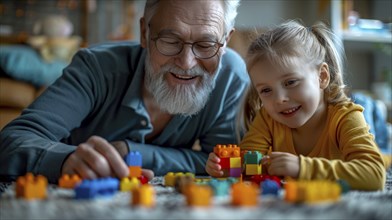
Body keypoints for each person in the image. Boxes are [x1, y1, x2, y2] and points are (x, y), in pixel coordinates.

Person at [0, 0, 249, 183]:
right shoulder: (95, 68)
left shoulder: (231, 77)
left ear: (225, 41)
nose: (186, 62)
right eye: (170, 41)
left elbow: (219, 164)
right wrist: (65, 160)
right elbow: (11, 141)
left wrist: (131, 152)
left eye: (205, 44)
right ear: (144, 33)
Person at [205, 20, 386, 191]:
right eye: (266, 90)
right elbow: (250, 165)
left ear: (322, 76)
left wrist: (302, 167)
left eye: (291, 82)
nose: (279, 99)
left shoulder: (346, 117)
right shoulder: (268, 118)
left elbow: (375, 176)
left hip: (361, 111)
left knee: (382, 149)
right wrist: (227, 168)